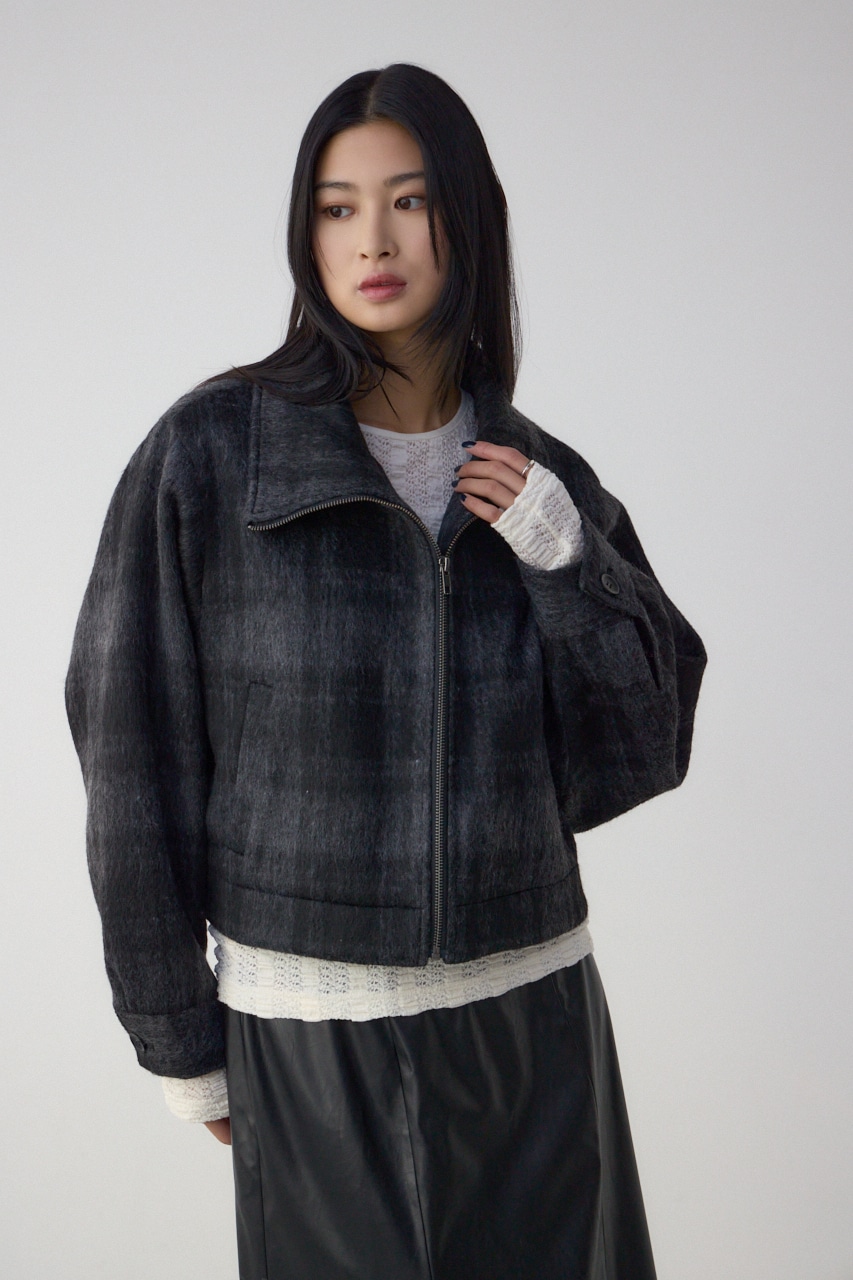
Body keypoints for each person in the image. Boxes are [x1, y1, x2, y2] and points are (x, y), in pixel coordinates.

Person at [66, 62, 707, 1280]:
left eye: (410, 200)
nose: (373, 238)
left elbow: (639, 754)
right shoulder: (212, 455)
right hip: (318, 1030)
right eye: (336, 206)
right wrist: (175, 1033)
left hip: (536, 1015)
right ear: (305, 233)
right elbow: (129, 749)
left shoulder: (540, 477)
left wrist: (569, 563)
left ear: (467, 218)